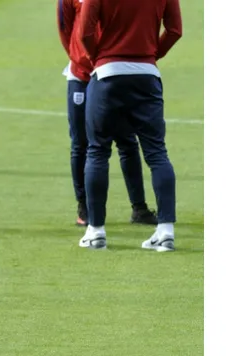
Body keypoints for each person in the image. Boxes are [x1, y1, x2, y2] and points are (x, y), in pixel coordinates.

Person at [78, 0, 182, 250]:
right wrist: (152, 54)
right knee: (157, 153)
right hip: (147, 75)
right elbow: (175, 30)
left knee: (97, 151)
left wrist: (98, 57)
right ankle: (166, 230)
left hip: (107, 74)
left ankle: (96, 230)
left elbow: (84, 33)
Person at [57, 0, 158, 227]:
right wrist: (81, 58)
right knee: (81, 144)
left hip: (113, 74)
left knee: (127, 141)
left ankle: (139, 208)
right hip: (83, 75)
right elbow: (65, 29)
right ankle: (84, 207)